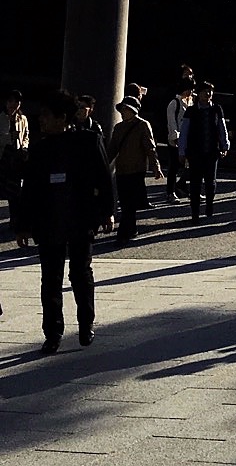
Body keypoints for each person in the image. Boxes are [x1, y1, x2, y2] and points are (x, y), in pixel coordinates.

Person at [16, 90, 115, 353]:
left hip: (80, 218)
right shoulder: (39, 149)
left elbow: (105, 179)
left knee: (80, 273)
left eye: (47, 116)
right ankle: (52, 333)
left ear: (62, 118)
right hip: (48, 221)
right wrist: (23, 225)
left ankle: (86, 323)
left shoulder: (88, 141)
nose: (42, 121)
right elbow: (29, 191)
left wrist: (107, 211)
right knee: (50, 278)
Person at [107, 95, 161, 246]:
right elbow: (112, 149)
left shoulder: (143, 125)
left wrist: (155, 166)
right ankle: (131, 228)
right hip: (122, 169)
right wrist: (104, 164)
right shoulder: (119, 127)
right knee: (125, 202)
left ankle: (123, 231)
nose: (122, 112)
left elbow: (150, 147)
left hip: (137, 170)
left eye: (125, 109)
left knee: (130, 203)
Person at [178, 82, 230, 222]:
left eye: (210, 91)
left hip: (212, 150)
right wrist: (182, 151)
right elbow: (184, 132)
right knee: (195, 183)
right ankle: (195, 212)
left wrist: (225, 146)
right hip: (195, 151)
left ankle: (209, 206)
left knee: (210, 182)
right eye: (205, 91)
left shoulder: (217, 109)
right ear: (198, 93)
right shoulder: (191, 110)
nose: (208, 94)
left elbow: (221, 128)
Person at [0, 88, 31, 234]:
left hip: (16, 158)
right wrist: (8, 137)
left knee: (15, 192)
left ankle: (15, 220)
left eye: (17, 102)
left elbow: (26, 136)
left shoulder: (22, 119)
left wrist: (24, 146)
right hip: (2, 157)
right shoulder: (1, 118)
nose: (14, 105)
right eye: (11, 101)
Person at [164, 79, 194, 204]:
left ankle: (187, 190)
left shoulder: (191, 102)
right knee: (174, 167)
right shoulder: (174, 103)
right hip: (176, 140)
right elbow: (171, 122)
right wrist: (175, 137)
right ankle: (170, 192)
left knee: (190, 166)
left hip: (188, 139)